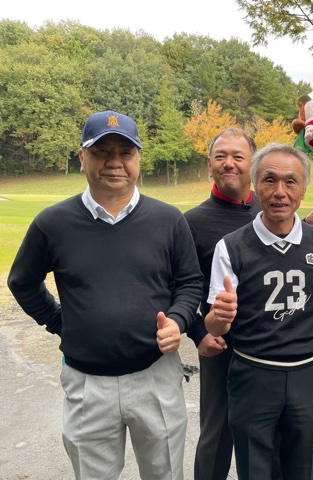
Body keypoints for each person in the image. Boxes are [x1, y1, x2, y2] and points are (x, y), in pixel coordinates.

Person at [7, 110, 202, 479]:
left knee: (165, 473)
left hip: (156, 375)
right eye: (102, 152)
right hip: (87, 383)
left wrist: (178, 321)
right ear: (82, 157)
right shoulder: (52, 223)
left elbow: (190, 282)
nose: (115, 163)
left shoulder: (168, 219)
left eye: (126, 153)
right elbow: (22, 281)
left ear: (138, 158)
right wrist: (59, 322)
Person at [184, 129, 313, 480]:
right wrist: (199, 332)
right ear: (209, 164)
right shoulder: (192, 222)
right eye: (220, 156)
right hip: (221, 344)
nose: (228, 163)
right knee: (218, 432)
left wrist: (306, 229)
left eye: (238, 156)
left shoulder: (270, 206)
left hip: (274, 349)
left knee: (276, 442)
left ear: (251, 166)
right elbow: (181, 285)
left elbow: (290, 251)